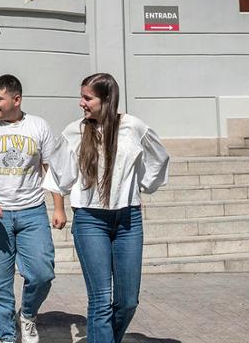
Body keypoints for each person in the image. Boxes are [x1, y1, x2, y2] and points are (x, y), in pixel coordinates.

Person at [45, 73, 170, 343]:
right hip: (90, 220)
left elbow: (160, 156)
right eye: (82, 97)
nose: (81, 103)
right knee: (101, 300)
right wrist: (59, 207)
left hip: (128, 220)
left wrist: (143, 184)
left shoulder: (133, 126)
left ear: (107, 99)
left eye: (87, 98)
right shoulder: (74, 131)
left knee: (127, 302)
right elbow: (58, 174)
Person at [0, 74, 66, 343]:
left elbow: (49, 168)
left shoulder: (38, 126)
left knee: (43, 273)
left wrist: (58, 207)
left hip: (32, 212)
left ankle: (28, 314)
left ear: (16, 99)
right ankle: (7, 337)